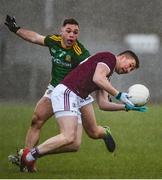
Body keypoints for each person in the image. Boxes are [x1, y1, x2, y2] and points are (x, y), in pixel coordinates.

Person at [18, 50, 147, 172]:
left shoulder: (107, 75)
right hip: (67, 93)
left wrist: (125, 107)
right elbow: (97, 78)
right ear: (123, 57)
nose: (128, 70)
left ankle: (32, 154)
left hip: (77, 97)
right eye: (130, 65)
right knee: (67, 136)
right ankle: (28, 156)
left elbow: (103, 104)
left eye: (131, 70)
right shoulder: (110, 58)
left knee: (74, 144)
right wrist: (118, 94)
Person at [5, 15, 94, 170]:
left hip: (71, 94)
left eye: (75, 32)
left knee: (77, 142)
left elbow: (94, 70)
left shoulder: (80, 52)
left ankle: (33, 154)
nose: (72, 35)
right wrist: (16, 29)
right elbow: (34, 37)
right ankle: (27, 161)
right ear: (62, 31)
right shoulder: (54, 40)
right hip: (54, 90)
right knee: (36, 120)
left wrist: (105, 93)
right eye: (69, 31)